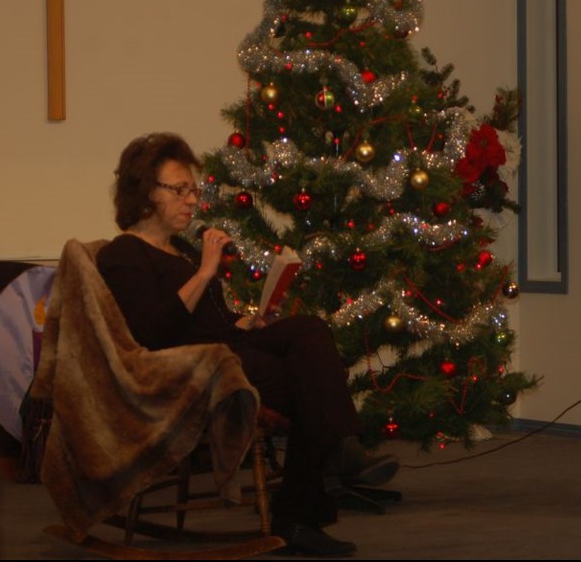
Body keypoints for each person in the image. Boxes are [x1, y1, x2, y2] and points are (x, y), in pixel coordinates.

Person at [97, 132, 399, 557]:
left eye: (192, 189)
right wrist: (204, 273)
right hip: (191, 371)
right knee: (304, 382)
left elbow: (212, 320)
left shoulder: (180, 249)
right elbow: (151, 333)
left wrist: (249, 320)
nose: (190, 200)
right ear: (145, 193)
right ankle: (310, 496)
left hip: (228, 348)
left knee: (310, 331)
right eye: (178, 190)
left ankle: (331, 461)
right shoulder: (123, 255)